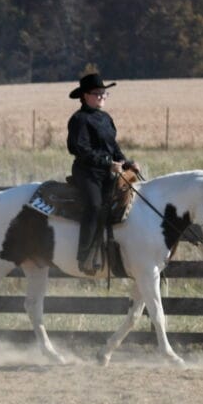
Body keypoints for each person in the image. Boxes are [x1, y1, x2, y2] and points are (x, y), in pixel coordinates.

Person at [64, 71, 140, 273]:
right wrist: (108, 163)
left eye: (104, 93)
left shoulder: (105, 118)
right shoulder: (79, 119)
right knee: (95, 205)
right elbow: (80, 149)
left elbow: (112, 146)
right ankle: (84, 255)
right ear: (85, 96)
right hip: (87, 172)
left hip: (107, 171)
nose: (102, 97)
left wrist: (126, 162)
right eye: (97, 93)